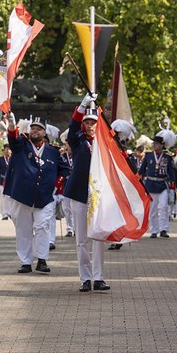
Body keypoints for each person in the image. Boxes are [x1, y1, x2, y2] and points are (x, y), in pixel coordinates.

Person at [3, 115, 69, 274]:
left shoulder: (53, 152)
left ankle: (42, 260)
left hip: (44, 198)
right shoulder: (22, 145)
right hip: (22, 197)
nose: (35, 131)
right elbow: (13, 139)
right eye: (33, 128)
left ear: (44, 132)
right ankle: (26, 262)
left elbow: (65, 170)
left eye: (38, 128)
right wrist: (12, 125)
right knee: (23, 230)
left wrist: (56, 184)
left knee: (42, 227)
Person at [64, 98, 110, 292]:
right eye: (87, 123)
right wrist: (82, 106)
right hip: (79, 193)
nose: (90, 126)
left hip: (99, 195)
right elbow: (73, 126)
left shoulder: (105, 143)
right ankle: (85, 277)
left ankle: (98, 277)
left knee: (98, 237)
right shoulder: (77, 140)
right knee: (81, 239)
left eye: (94, 123)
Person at [140, 132, 177, 238]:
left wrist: (172, 186)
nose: (154, 145)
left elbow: (171, 173)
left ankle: (164, 229)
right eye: (154, 143)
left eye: (156, 144)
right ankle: (154, 230)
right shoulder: (148, 156)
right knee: (153, 209)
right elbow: (142, 170)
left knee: (164, 207)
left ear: (161, 145)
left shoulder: (167, 157)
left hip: (162, 184)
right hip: (150, 184)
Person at [0, 144, 12, 218]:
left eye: (9, 150)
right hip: (2, 181)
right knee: (2, 198)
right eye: (6, 150)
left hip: (11, 181)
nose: (8, 151)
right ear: (4, 151)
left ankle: (10, 212)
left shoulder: (13, 159)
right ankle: (4, 213)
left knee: (10, 198)